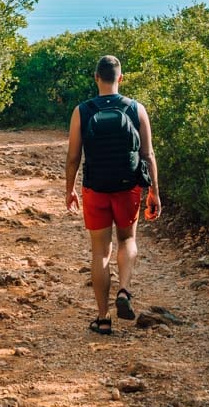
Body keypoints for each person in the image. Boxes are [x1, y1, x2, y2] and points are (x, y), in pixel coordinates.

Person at [65, 55, 161, 333]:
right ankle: (124, 291)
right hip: (128, 187)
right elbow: (148, 154)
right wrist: (154, 191)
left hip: (95, 188)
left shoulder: (82, 111)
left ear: (96, 77)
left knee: (100, 252)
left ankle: (103, 318)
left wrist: (70, 189)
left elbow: (73, 157)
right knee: (127, 239)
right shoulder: (136, 109)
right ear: (121, 78)